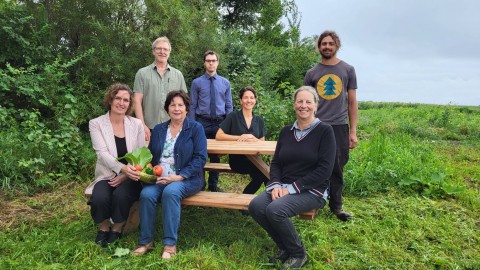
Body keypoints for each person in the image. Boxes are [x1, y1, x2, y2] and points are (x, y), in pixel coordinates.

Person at [248, 86, 336, 269]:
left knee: (275, 210)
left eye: (308, 102)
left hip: (313, 190)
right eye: (299, 101)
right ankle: (285, 248)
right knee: (256, 206)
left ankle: (298, 253)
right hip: (284, 186)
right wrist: (276, 185)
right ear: (294, 104)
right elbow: (277, 163)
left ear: (316, 106)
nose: (303, 105)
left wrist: (290, 189)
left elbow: (325, 170)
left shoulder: (325, 132)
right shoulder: (286, 131)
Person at [132, 90, 207, 259]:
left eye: (180, 105)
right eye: (172, 105)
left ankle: (170, 244)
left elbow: (200, 158)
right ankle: (145, 241)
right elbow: (150, 156)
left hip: (187, 178)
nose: (176, 108)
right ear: (167, 108)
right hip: (159, 178)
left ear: (187, 108)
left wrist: (180, 176)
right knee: (146, 194)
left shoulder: (195, 128)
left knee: (171, 192)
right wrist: (148, 172)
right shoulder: (159, 129)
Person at [303, 30, 358, 221]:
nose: (327, 46)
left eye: (330, 44)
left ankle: (337, 207)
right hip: (316, 126)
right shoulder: (312, 73)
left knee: (337, 166)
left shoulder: (348, 70)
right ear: (319, 47)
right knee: (314, 166)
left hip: (339, 126)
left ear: (337, 46)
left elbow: (352, 102)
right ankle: (314, 202)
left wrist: (353, 131)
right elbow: (306, 103)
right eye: (323, 44)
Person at [86, 83, 146, 247]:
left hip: (131, 176)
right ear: (110, 100)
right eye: (118, 98)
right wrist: (121, 168)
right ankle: (104, 228)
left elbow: (141, 154)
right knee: (99, 198)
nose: (121, 103)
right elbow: (102, 153)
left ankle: (117, 228)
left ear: (129, 104)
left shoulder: (136, 124)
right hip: (107, 174)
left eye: (126, 100)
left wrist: (126, 174)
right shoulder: (96, 123)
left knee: (121, 196)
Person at [189, 50, 233, 192]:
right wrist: (192, 125)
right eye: (208, 60)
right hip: (201, 123)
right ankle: (200, 185)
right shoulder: (197, 83)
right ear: (204, 63)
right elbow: (192, 105)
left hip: (219, 124)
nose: (211, 63)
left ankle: (213, 186)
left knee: (216, 156)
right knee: (199, 154)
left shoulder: (225, 83)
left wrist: (228, 125)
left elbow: (229, 106)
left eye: (213, 60)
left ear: (217, 63)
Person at [215, 86, 269, 195]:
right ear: (240, 101)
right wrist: (240, 137)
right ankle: (259, 203)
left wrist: (254, 139)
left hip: (255, 160)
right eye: (245, 98)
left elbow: (262, 141)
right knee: (264, 174)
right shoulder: (233, 116)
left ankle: (268, 202)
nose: (249, 100)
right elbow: (219, 135)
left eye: (252, 98)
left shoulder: (259, 120)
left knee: (266, 175)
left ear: (255, 100)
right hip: (237, 160)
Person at [133, 36, 187, 141]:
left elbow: (185, 103)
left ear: (169, 52)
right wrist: (142, 125)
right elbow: (136, 101)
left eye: (165, 49)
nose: (162, 52)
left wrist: (182, 125)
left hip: (174, 127)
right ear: (153, 51)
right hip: (149, 128)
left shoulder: (178, 75)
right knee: (150, 157)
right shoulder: (142, 73)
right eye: (159, 48)